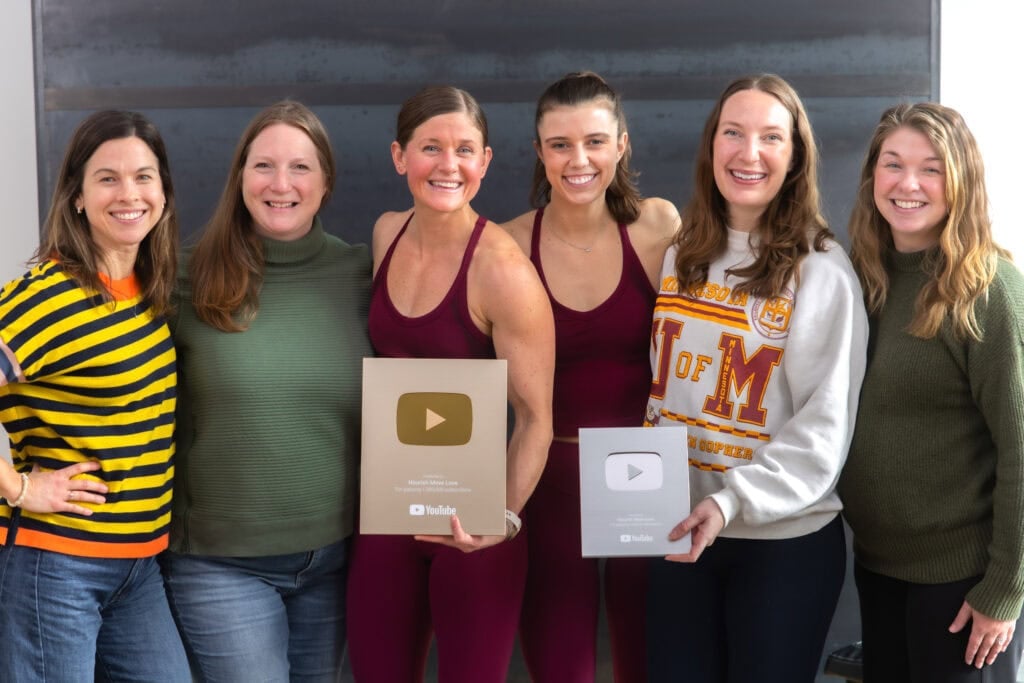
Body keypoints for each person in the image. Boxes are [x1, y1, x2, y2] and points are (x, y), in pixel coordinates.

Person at [643, 74, 868, 682]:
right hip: (677, 533)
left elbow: (824, 428)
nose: (749, 153)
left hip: (780, 547)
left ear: (795, 157)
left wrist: (730, 501)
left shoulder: (821, 271)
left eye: (772, 137)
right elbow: (665, 391)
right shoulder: (681, 254)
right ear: (710, 145)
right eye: (733, 133)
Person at [345, 85, 555, 683]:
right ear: (398, 156)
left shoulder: (503, 271)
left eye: (465, 149)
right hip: (387, 514)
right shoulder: (386, 233)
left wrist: (503, 518)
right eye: (430, 147)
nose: (448, 165)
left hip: (473, 525)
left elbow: (537, 417)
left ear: (486, 161)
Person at [160, 100, 373, 682]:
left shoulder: (366, 274)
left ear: (325, 182)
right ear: (239, 177)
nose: (282, 184)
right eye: (263, 166)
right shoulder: (181, 276)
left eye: (301, 167)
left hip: (334, 556)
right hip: (218, 563)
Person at [501, 71, 678, 683]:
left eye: (595, 142)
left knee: (649, 662)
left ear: (622, 144)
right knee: (561, 668)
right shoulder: (508, 245)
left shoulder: (659, 228)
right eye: (560, 144)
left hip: (648, 480)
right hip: (548, 482)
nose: (579, 160)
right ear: (538, 152)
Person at [0, 110, 189, 682]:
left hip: (137, 566)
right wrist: (20, 487)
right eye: (107, 178)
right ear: (77, 197)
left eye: (143, 177)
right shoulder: (46, 297)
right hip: (56, 565)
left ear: (163, 193)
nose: (128, 194)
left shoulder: (147, 289)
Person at [839, 102, 1024, 682]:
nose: (908, 184)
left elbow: (1023, 449)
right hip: (877, 568)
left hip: (962, 584)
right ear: (873, 177)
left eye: (932, 168)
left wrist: (1004, 588)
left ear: (961, 181)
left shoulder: (989, 291)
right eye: (893, 164)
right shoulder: (863, 279)